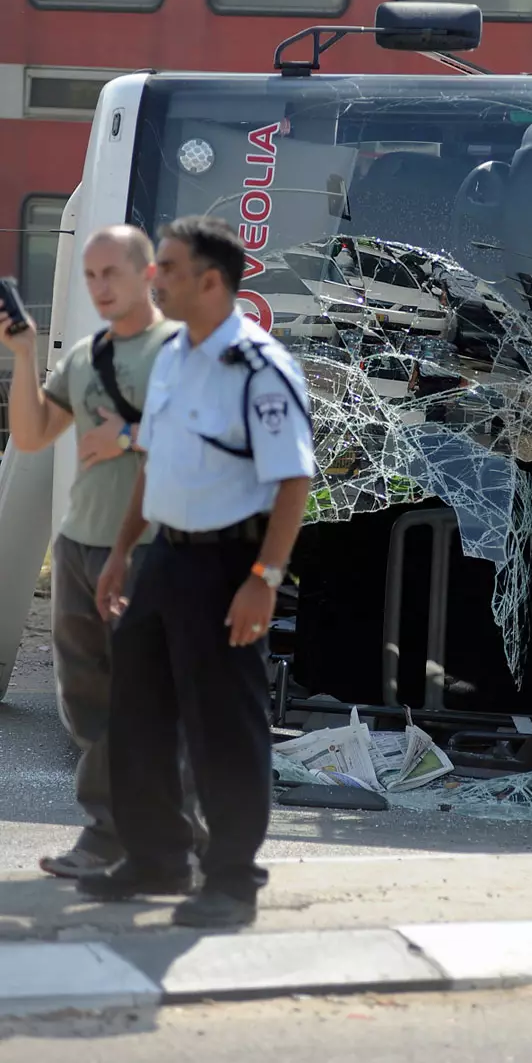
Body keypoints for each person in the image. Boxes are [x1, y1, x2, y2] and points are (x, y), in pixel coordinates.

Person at [82, 216, 315, 928]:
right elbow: (154, 464)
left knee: (222, 726)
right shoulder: (175, 355)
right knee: (138, 713)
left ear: (211, 280)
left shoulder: (260, 366)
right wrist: (123, 551)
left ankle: (231, 879)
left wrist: (264, 578)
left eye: (170, 267)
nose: (155, 277)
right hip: (163, 558)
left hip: (227, 564)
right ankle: (157, 857)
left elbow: (292, 482)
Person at [0, 225, 204, 878]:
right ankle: (111, 833)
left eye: (111, 272)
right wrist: (25, 353)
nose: (99, 287)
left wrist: (127, 437)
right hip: (79, 542)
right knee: (88, 702)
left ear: (147, 275)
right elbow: (32, 436)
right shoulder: (86, 355)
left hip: (153, 546)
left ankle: (170, 839)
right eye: (90, 276)